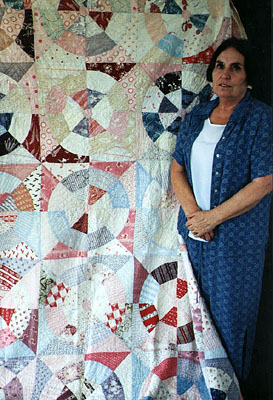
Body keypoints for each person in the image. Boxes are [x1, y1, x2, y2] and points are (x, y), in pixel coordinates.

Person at [171, 37, 272, 388]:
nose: (225, 74)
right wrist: (194, 215)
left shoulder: (261, 118)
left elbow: (264, 181)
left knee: (230, 320)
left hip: (236, 242)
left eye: (235, 67)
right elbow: (177, 169)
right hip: (195, 236)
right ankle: (200, 390)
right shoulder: (198, 115)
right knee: (194, 317)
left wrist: (213, 218)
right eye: (219, 66)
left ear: (249, 77)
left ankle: (230, 391)